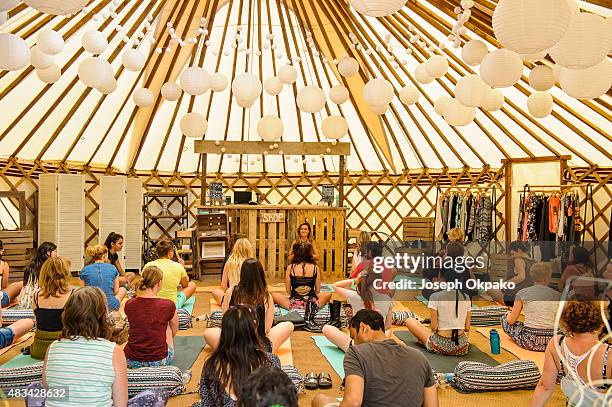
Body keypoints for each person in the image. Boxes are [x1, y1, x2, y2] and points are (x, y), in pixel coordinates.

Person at [313, 309, 438, 407]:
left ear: (363, 327)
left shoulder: (356, 352)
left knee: (320, 399)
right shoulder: (419, 357)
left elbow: (353, 402)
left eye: (354, 337)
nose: (354, 343)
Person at [42, 286, 128, 407]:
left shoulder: (53, 347)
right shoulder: (114, 351)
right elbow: (121, 404)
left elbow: (48, 389)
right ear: (103, 317)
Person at [198, 305, 282, 407]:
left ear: (224, 330)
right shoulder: (271, 361)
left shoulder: (211, 365)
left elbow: (207, 402)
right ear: (254, 326)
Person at [204, 258, 293, 354]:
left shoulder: (231, 292)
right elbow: (266, 329)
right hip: (258, 347)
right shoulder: (266, 297)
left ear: (242, 274)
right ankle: (261, 354)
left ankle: (230, 352)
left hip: (233, 345)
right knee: (288, 325)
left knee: (209, 333)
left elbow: (226, 322)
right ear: (260, 275)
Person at [531, 300, 611, 407]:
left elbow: (544, 387)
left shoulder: (556, 344)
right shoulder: (608, 355)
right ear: (602, 321)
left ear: (566, 320)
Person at [322, 264, 393, 351]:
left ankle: (359, 350)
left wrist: (355, 280)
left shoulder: (355, 296)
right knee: (388, 331)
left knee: (327, 328)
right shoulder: (387, 298)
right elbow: (388, 326)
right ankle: (382, 348)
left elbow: (335, 286)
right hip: (378, 346)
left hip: (358, 348)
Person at [405, 265, 472, 356]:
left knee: (409, 320)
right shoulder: (466, 297)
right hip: (461, 347)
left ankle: (424, 341)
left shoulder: (435, 297)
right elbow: (467, 327)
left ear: (441, 278)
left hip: (440, 345)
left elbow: (434, 327)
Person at [124, 265, 178, 368]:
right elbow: (175, 330)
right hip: (159, 360)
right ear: (159, 283)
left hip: (131, 360)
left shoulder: (129, 304)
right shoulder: (168, 305)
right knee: (168, 326)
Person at [502, 263, 561, 352]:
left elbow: (511, 320)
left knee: (504, 318)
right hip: (553, 343)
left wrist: (507, 315)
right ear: (547, 278)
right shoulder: (558, 296)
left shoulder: (522, 293)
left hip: (529, 341)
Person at [30, 257, 73, 359]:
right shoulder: (72, 295)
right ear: (66, 273)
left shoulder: (36, 295)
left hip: (39, 350)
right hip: (63, 349)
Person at [272, 242, 332, 310]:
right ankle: (313, 305)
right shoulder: (315, 268)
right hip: (311, 302)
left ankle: (297, 306)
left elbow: (288, 290)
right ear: (310, 254)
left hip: (294, 302)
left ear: (296, 254)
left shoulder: (290, 267)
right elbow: (317, 291)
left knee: (274, 295)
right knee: (328, 294)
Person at [143, 239, 196, 307]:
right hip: (171, 304)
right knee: (192, 285)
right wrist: (182, 268)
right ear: (170, 253)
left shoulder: (148, 265)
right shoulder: (178, 266)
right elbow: (185, 284)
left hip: (151, 302)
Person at [80, 245, 126, 311]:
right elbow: (116, 292)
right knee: (123, 290)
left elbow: (82, 292)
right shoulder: (112, 268)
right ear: (104, 255)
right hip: (110, 306)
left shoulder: (85, 269)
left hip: (91, 307)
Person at [489, 240, 536, 306]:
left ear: (519, 250)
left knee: (489, 288)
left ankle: (506, 306)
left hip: (515, 297)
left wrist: (503, 285)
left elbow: (521, 277)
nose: (512, 257)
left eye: (512, 254)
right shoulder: (534, 262)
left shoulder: (519, 260)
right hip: (528, 296)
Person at [212, 238, 254, 306]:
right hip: (249, 299)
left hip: (233, 297)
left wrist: (228, 293)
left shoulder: (229, 262)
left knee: (215, 292)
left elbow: (223, 286)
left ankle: (227, 304)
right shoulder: (252, 263)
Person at [18, 241, 57, 309]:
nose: (56, 254)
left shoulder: (31, 266)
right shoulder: (49, 267)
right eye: (55, 251)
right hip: (39, 302)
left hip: (26, 301)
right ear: (48, 253)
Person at [0, 240, 23, 308]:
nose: (3, 250)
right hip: (1, 300)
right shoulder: (3, 264)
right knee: (20, 284)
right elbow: (4, 287)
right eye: (1, 248)